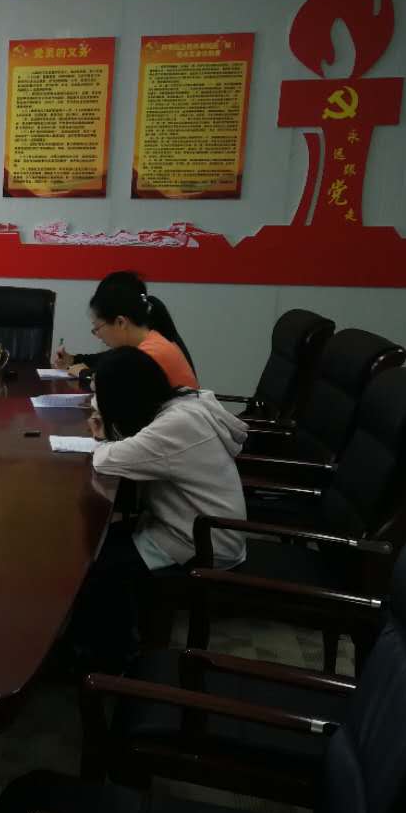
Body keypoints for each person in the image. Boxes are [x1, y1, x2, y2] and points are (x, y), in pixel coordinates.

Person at [63, 346, 247, 671]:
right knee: (94, 543)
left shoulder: (174, 426)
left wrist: (103, 435)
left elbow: (106, 460)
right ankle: (86, 641)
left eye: (100, 396)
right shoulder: (182, 405)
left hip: (204, 542)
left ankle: (111, 660)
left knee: (97, 565)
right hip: (192, 524)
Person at [52, 272, 197, 388]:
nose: (98, 335)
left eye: (97, 328)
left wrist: (83, 373)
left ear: (121, 322)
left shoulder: (149, 354)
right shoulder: (148, 341)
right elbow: (108, 359)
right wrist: (73, 360)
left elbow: (114, 385)